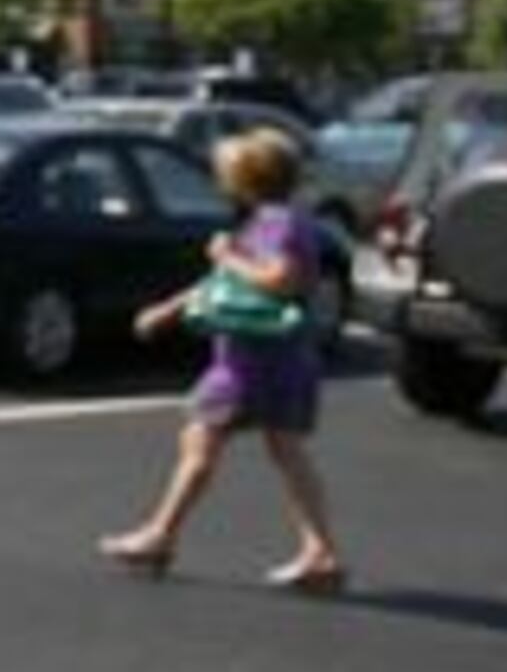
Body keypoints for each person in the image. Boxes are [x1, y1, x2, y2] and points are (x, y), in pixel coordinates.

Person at [98, 129, 348, 593]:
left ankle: (160, 536)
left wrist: (229, 257)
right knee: (282, 450)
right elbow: (224, 285)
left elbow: (281, 281)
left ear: (248, 177)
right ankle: (320, 552)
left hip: (254, 362)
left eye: (228, 172)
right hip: (278, 357)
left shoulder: (278, 224)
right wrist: (169, 310)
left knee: (201, 438)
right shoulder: (275, 221)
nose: (222, 180)